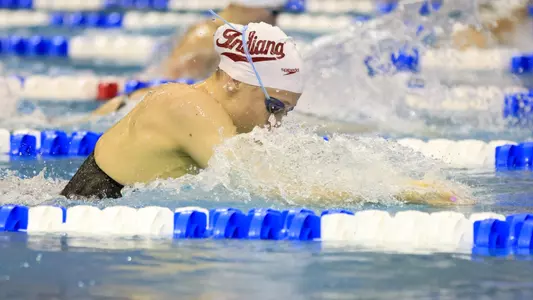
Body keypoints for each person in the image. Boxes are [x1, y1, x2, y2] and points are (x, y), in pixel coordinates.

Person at [60, 21, 471, 206]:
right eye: (273, 107)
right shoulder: (189, 107)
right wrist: (397, 189)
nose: (274, 123)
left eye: (285, 113)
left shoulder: (208, 115)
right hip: (78, 218)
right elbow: (266, 184)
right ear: (235, 81)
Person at [90, 0, 286, 117]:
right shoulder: (206, 38)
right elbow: (171, 87)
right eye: (274, 12)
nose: (276, 21)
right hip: (134, 107)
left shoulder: (225, 35)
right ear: (245, 7)